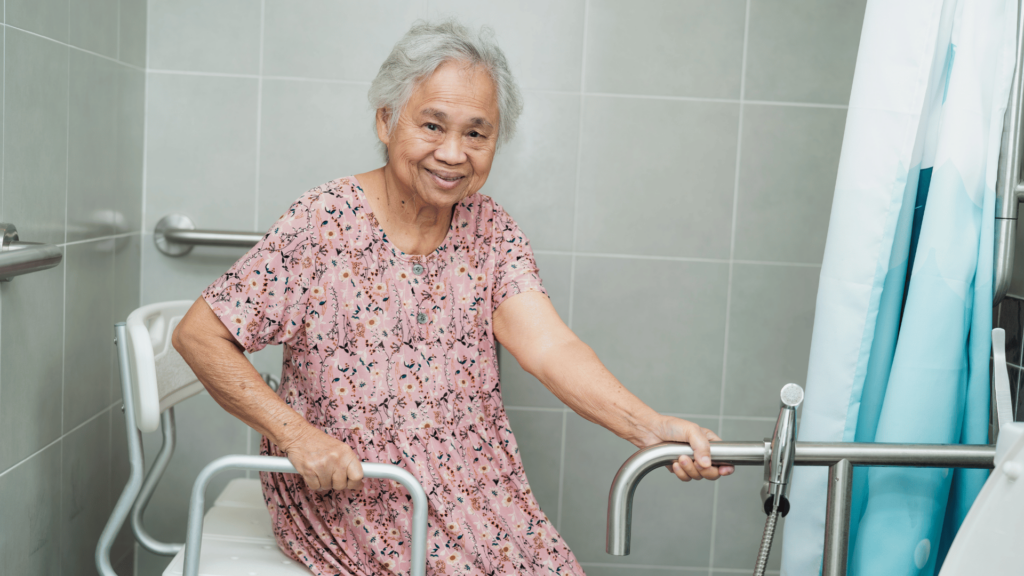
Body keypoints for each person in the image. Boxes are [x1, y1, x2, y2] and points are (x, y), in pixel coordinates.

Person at [173, 19, 733, 576]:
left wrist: (647, 427)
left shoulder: (492, 230)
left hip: (476, 483)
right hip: (357, 488)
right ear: (386, 121)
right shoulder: (323, 222)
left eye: (476, 133)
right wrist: (296, 435)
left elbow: (549, 347)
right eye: (432, 125)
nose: (452, 153)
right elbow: (199, 334)